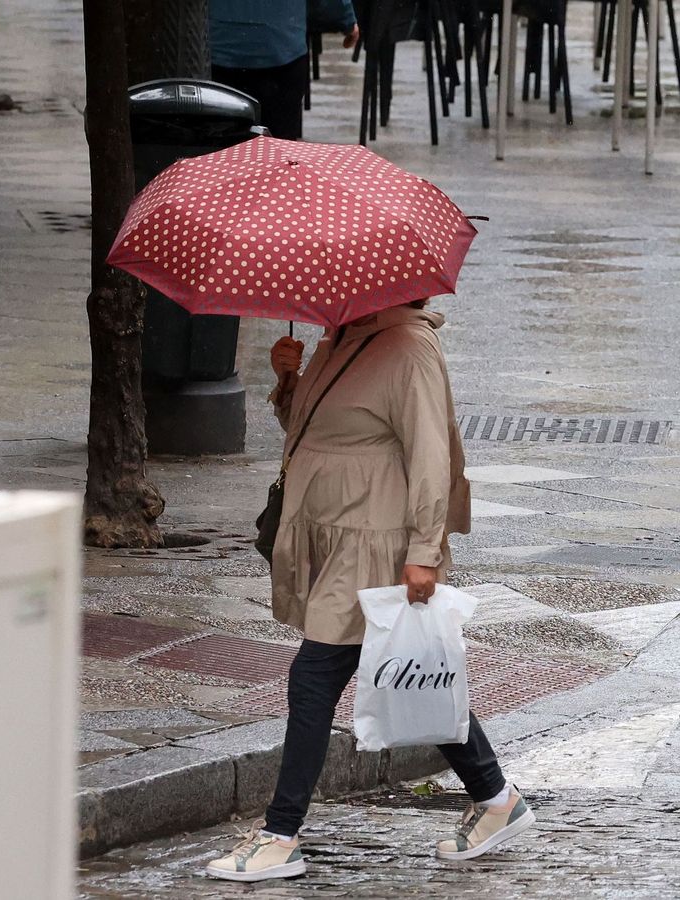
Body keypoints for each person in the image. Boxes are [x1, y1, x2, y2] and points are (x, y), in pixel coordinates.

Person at [205, 301, 535, 882]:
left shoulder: (408, 347)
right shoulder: (341, 338)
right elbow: (318, 436)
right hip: (337, 538)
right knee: (410, 674)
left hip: (376, 546)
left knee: (315, 678)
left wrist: (423, 553)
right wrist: (288, 383)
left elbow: (432, 455)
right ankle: (496, 797)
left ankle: (282, 834)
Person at [208, 0, 359, 141]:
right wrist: (345, 18)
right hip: (281, 47)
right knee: (279, 150)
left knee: (215, 150)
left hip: (217, 48)